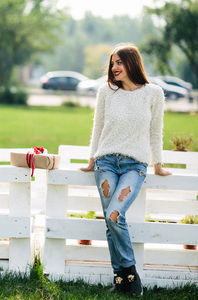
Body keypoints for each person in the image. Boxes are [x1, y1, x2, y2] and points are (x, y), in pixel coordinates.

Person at [79, 43, 171, 296]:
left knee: (114, 216)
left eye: (119, 62)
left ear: (132, 63)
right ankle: (122, 278)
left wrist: (158, 164)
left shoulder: (153, 93)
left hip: (135, 165)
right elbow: (97, 128)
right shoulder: (106, 91)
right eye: (112, 63)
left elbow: (155, 131)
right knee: (111, 221)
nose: (114, 67)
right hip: (105, 162)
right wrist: (91, 160)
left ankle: (129, 273)